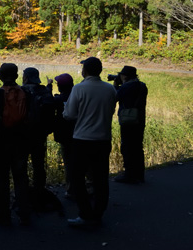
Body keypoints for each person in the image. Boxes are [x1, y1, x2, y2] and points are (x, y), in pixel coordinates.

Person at [62, 57, 117, 227]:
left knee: (77, 177)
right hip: (103, 139)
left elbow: (69, 114)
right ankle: (98, 214)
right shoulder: (110, 89)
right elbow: (111, 110)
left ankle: (85, 214)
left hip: (82, 139)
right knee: (100, 178)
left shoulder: (79, 88)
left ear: (85, 70)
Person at [0, 63, 30, 226]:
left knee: (2, 179)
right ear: (17, 76)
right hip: (21, 143)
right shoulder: (26, 93)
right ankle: (24, 214)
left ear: (0, 76)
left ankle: (3, 214)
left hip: (2, 142)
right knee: (21, 178)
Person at [20, 67, 54, 203]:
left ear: (26, 77)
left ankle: (23, 193)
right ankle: (39, 190)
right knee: (39, 164)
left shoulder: (21, 90)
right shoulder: (44, 91)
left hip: (23, 133)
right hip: (40, 134)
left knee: (21, 164)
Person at [113, 66, 148, 184]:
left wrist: (116, 85)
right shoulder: (142, 85)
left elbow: (115, 97)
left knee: (127, 146)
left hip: (128, 120)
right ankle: (139, 175)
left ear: (125, 76)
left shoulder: (126, 86)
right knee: (138, 147)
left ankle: (128, 174)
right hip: (139, 119)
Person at [51, 73, 76, 197]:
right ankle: (85, 186)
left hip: (64, 135)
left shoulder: (58, 100)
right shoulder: (77, 96)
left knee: (68, 163)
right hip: (78, 134)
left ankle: (71, 189)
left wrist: (48, 88)